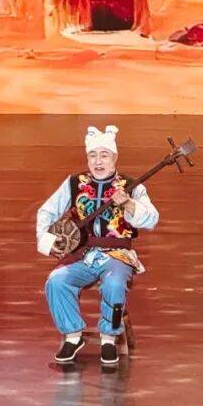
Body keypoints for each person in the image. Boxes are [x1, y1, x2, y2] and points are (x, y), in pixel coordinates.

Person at [36, 125, 159, 369]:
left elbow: (152, 219)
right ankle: (73, 334)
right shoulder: (74, 183)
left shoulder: (131, 186)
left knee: (114, 283)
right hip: (82, 255)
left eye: (104, 155)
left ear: (114, 157)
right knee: (56, 281)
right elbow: (47, 212)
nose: (98, 161)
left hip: (117, 255)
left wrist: (129, 204)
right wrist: (49, 242)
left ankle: (109, 338)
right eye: (93, 155)